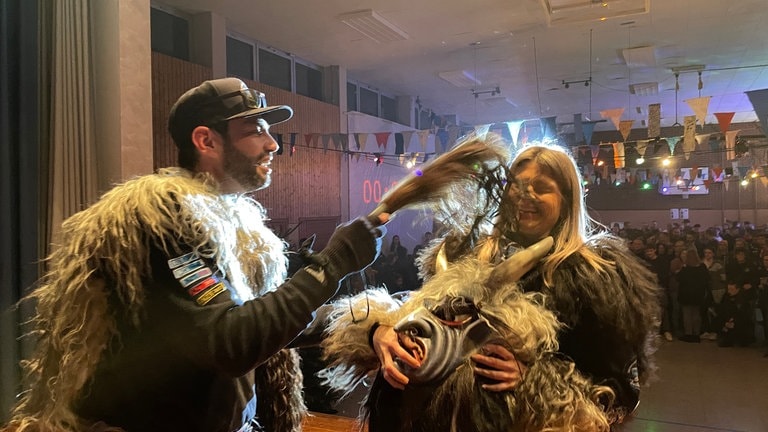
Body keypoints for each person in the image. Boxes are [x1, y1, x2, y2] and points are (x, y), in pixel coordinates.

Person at [4, 78, 383, 432]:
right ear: (207, 140)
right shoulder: (161, 216)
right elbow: (228, 341)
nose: (273, 145)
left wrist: (371, 328)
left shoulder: (238, 224)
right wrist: (332, 264)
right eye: (256, 131)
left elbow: (271, 321)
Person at [324, 142, 660, 428]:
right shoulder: (467, 252)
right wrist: (379, 331)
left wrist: (536, 381)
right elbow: (421, 309)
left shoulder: (592, 277)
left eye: (541, 188)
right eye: (516, 184)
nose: (524, 195)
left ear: (567, 201)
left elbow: (619, 393)